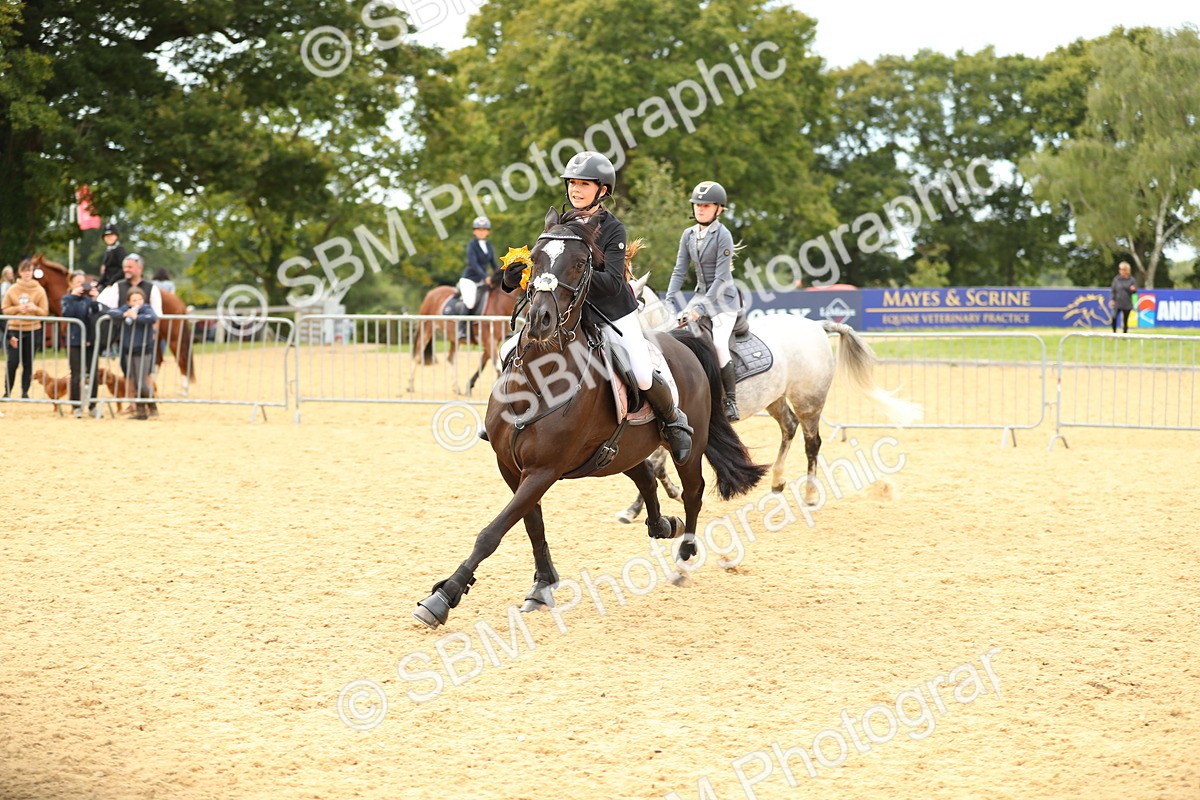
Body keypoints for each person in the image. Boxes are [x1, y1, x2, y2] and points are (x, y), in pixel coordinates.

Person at [501, 150, 693, 463]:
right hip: (571, 314)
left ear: (602, 191)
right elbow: (542, 268)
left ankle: (673, 421)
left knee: (642, 374)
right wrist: (513, 278)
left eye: (584, 184)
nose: (575, 189)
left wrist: (578, 274)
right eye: (572, 183)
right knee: (508, 350)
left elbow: (613, 283)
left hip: (613, 313)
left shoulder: (613, 229)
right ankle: (509, 413)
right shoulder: (557, 223)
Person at [667, 180, 741, 420]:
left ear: (718, 209)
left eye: (706, 205)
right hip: (700, 296)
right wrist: (669, 299)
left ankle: (730, 401)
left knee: (718, 344)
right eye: (697, 205)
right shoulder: (688, 235)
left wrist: (700, 307)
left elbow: (721, 278)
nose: (700, 209)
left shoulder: (723, 235)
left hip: (723, 301)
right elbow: (679, 270)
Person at [105, 287, 158, 419]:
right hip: (129, 349)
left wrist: (137, 317)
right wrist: (124, 315)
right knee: (134, 381)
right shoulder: (125, 309)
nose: (137, 302)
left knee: (142, 382)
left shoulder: (146, 309)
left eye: (140, 299)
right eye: (134, 300)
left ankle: (152, 407)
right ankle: (140, 411)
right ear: (128, 301)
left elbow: (152, 317)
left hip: (143, 350)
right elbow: (111, 312)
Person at [2, 259, 50, 398]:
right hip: (15, 328)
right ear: (20, 272)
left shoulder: (39, 289)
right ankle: (8, 391)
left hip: (33, 329)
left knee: (28, 363)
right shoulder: (12, 289)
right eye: (25, 270)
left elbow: (45, 311)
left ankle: (25, 392)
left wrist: (35, 308)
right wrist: (18, 309)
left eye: (30, 270)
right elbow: (5, 309)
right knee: (13, 362)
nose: (27, 273)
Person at [452, 217, 501, 341]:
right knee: (470, 301)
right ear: (474, 231)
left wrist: (500, 276)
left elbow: (494, 264)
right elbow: (473, 264)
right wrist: (485, 277)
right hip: (469, 279)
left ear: (488, 231)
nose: (481, 232)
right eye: (479, 229)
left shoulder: (489, 246)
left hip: (482, 280)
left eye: (484, 229)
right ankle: (461, 329)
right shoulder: (472, 245)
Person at [61, 272, 103, 417]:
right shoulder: (67, 299)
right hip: (75, 341)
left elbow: (98, 312)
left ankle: (92, 405)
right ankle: (76, 405)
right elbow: (68, 314)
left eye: (83, 282)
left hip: (90, 341)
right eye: (78, 282)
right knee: (76, 374)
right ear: (71, 284)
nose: (81, 285)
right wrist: (74, 296)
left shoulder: (88, 300)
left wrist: (95, 298)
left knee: (93, 374)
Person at [97, 222, 128, 290]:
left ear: (116, 236)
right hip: (108, 283)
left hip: (118, 284)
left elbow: (122, 269)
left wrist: (111, 283)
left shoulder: (120, 250)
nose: (109, 238)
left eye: (111, 235)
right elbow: (106, 271)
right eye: (106, 236)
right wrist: (98, 284)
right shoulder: (108, 251)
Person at [1110, 261, 1137, 333]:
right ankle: (1114, 333)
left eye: (1123, 269)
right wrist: (1112, 299)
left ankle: (1125, 333)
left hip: (1127, 302)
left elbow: (1134, 292)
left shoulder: (1131, 280)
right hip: (1117, 302)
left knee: (1125, 320)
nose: (1121, 271)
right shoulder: (1116, 279)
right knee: (1114, 317)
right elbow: (1113, 290)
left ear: (1127, 270)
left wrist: (1133, 289)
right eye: (1120, 269)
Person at [0, 265, 14, 339]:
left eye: (12, 273)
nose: (11, 275)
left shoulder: (10, 284)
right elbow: (3, 297)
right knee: (5, 328)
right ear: (5, 274)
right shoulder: (5, 284)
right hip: (5, 309)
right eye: (9, 273)